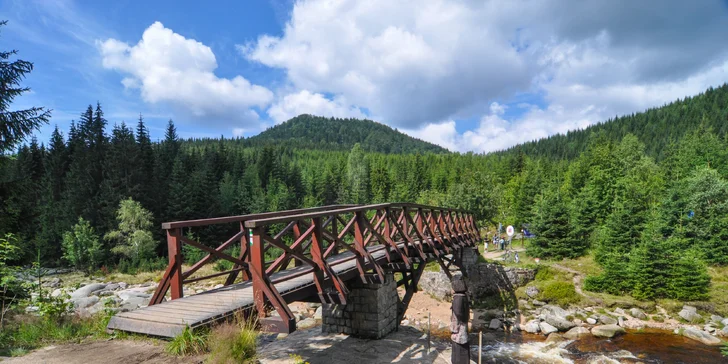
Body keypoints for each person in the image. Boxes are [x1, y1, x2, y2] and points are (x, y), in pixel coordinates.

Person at [450, 279, 470, 363]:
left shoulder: (458, 298)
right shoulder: (463, 297)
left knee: (459, 350)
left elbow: (458, 313)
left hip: (459, 327)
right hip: (462, 326)